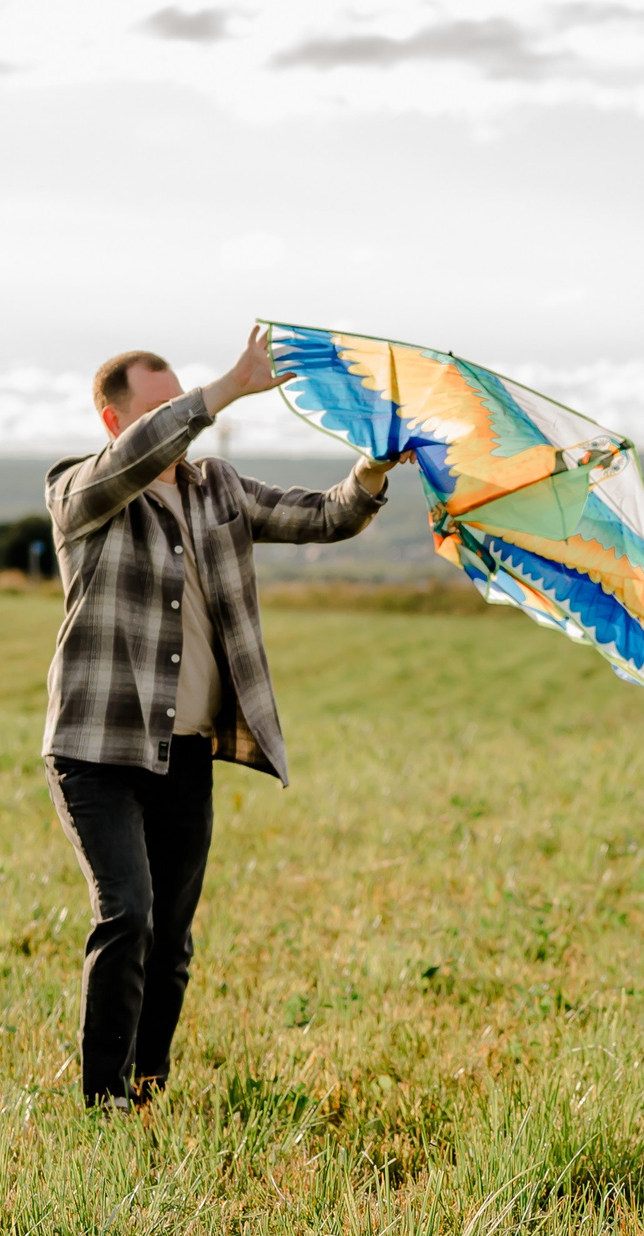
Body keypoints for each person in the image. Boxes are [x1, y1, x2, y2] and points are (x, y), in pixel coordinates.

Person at [42, 327, 401, 1109]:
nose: (182, 420)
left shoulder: (218, 489)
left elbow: (326, 517)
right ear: (115, 422)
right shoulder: (80, 490)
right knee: (128, 914)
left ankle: (146, 1091)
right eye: (160, 409)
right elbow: (138, 457)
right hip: (96, 752)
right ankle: (103, 1103)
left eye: (181, 404)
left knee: (171, 941)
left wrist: (372, 470)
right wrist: (230, 386)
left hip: (185, 756)